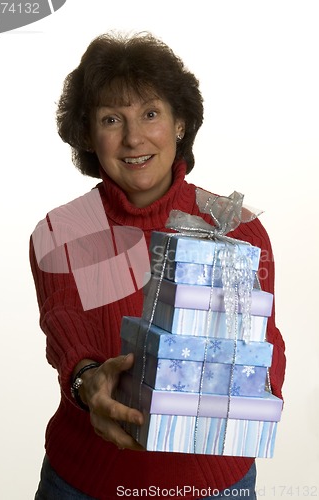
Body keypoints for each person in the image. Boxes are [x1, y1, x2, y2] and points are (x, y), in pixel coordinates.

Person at [30, 32, 286, 500]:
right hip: (86, 483)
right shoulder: (64, 230)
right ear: (88, 134)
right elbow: (68, 329)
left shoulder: (234, 228)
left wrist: (251, 400)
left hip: (216, 483)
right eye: (112, 119)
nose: (133, 138)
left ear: (181, 123)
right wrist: (89, 383)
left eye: (150, 114)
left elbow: (265, 339)